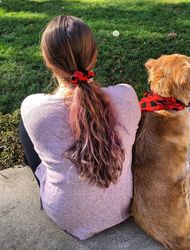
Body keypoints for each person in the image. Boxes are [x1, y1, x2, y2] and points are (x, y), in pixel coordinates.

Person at [19, 15, 141, 240]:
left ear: (48, 60)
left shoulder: (33, 107)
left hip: (66, 215)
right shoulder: (127, 94)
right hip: (122, 204)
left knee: (27, 126)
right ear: (94, 55)